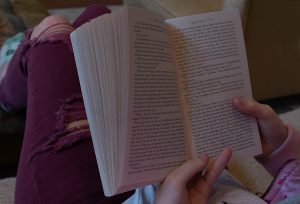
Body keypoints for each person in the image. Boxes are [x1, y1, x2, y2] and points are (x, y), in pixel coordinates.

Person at [0, 4, 299, 204]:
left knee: (53, 31)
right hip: (171, 171)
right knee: (98, 20)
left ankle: (9, 85)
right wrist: (281, 150)